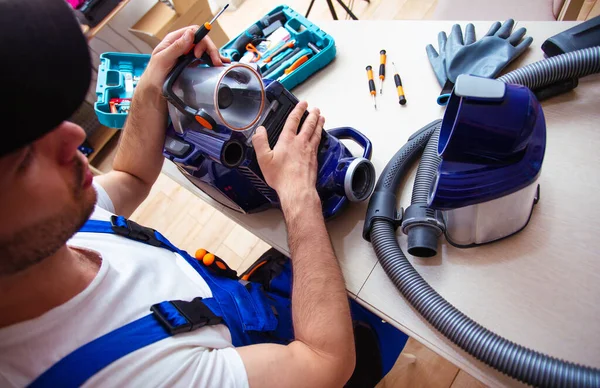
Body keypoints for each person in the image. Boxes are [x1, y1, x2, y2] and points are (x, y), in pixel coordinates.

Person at [0, 0, 359, 387]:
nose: (75, 137)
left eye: (54, 123)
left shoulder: (60, 228)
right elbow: (325, 362)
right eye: (23, 159)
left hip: (241, 308)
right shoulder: (125, 376)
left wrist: (155, 82)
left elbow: (130, 175)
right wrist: (297, 192)